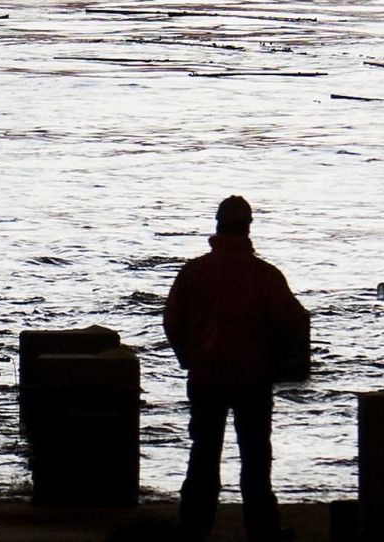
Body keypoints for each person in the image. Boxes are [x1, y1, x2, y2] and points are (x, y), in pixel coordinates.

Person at [163, 195, 309, 542]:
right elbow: (294, 320)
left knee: (203, 454)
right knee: (256, 457)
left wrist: (188, 356)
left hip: (206, 376)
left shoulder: (194, 272)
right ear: (248, 227)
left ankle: (194, 527)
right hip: (252, 379)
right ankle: (262, 529)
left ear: (217, 225)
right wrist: (283, 364)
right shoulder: (265, 276)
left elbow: (171, 320)